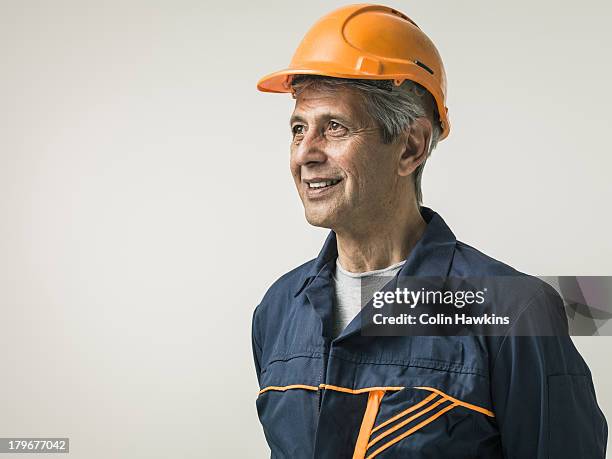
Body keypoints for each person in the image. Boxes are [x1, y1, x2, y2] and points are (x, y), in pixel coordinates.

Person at [251, 4, 607, 458]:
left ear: (411, 146)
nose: (305, 153)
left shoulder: (515, 314)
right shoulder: (278, 312)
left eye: (334, 127)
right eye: (299, 129)